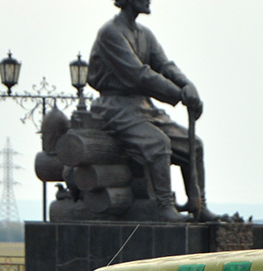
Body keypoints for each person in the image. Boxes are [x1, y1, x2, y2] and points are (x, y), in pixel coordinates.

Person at [87, 0, 218, 222]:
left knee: (193, 145)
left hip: (143, 107)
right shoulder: (110, 33)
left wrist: (187, 85)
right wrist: (178, 94)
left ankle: (199, 204)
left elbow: (164, 66)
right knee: (158, 144)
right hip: (115, 108)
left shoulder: (145, 34)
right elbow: (138, 74)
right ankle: (164, 207)